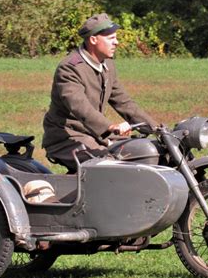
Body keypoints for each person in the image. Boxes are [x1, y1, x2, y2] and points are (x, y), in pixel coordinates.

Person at [42, 13, 158, 173]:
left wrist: (157, 129)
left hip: (97, 135)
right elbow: (80, 107)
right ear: (93, 40)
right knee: (109, 167)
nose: (116, 42)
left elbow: (124, 102)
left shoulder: (107, 64)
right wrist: (110, 126)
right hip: (67, 137)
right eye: (111, 38)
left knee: (143, 152)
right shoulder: (70, 68)